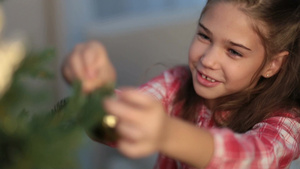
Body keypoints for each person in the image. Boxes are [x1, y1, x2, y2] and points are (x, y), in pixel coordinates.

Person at [62, 0, 300, 168]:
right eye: (204, 36)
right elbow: (113, 129)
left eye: (234, 52)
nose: (207, 60)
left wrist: (166, 132)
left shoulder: (286, 123)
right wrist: (92, 90)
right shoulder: (176, 83)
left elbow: (255, 160)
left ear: (273, 64)